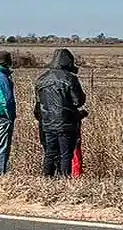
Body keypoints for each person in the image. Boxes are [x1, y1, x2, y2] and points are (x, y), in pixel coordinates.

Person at [34, 48, 88, 178]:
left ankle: (47, 178)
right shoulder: (70, 79)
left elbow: (38, 102)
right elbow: (78, 101)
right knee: (66, 154)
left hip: (47, 122)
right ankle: (64, 180)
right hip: (66, 122)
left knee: (50, 153)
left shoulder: (41, 79)